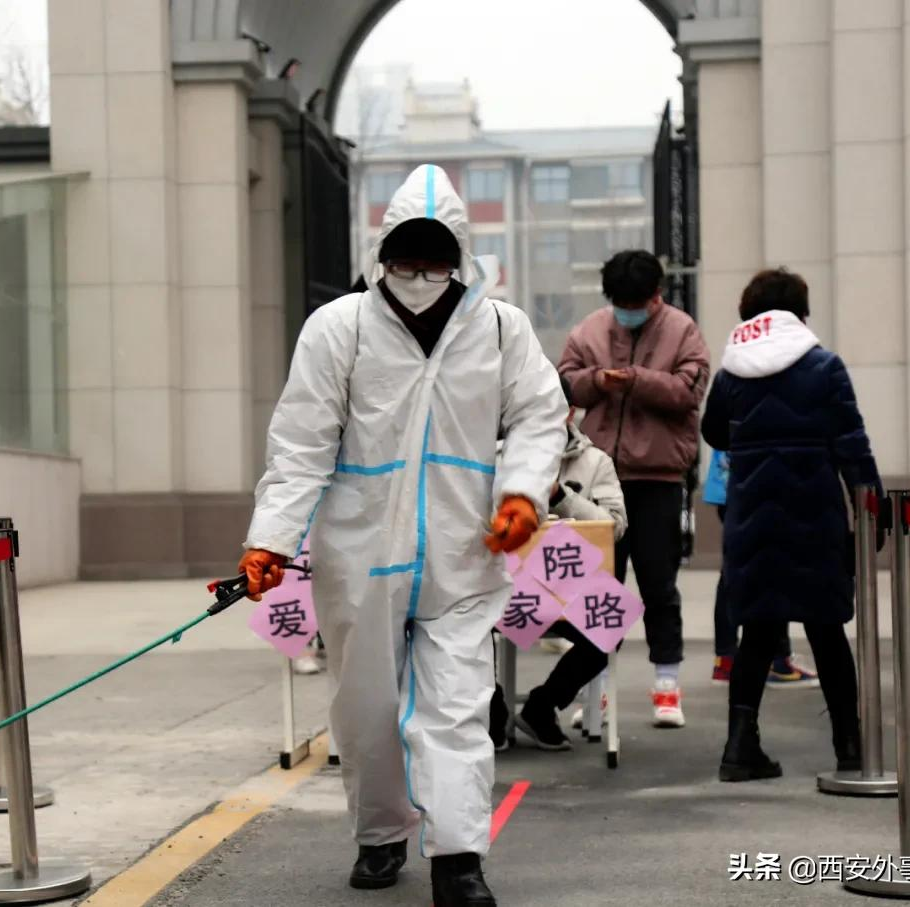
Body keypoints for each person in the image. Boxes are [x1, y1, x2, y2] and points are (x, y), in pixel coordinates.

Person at [240, 164, 566, 906]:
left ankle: (458, 859)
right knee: (368, 709)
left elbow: (540, 417)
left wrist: (520, 492)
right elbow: (300, 447)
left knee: (456, 705)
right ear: (381, 254)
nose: (419, 275)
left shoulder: (501, 329)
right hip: (359, 558)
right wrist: (270, 539)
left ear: (460, 256)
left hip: (464, 553)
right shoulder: (339, 329)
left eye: (434, 260)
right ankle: (381, 834)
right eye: (405, 260)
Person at [701, 268, 882, 782]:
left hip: (751, 512)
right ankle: (850, 747)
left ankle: (739, 750)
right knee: (827, 629)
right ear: (800, 311)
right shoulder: (824, 365)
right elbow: (852, 443)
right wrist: (874, 505)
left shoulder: (732, 371)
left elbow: (714, 431)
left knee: (757, 630)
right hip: (815, 511)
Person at [559, 250, 709, 728]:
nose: (627, 311)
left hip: (659, 478)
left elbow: (689, 392)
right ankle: (595, 688)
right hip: (599, 482)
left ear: (655, 296)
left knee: (658, 585)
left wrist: (637, 382)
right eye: (619, 302)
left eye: (636, 302)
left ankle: (667, 684)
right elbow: (563, 384)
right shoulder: (589, 331)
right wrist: (597, 381)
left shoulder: (682, 330)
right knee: (600, 589)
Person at [489, 376, 628, 752]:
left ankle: (542, 706)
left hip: (570, 587)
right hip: (506, 588)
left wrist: (559, 496)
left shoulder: (595, 461)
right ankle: (492, 710)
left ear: (569, 412)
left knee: (610, 626)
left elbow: (614, 526)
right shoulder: (496, 458)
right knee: (462, 623)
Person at [703, 448, 818, 689]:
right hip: (765, 476)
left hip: (732, 476)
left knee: (736, 569)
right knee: (774, 566)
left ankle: (728, 659)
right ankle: (777, 659)